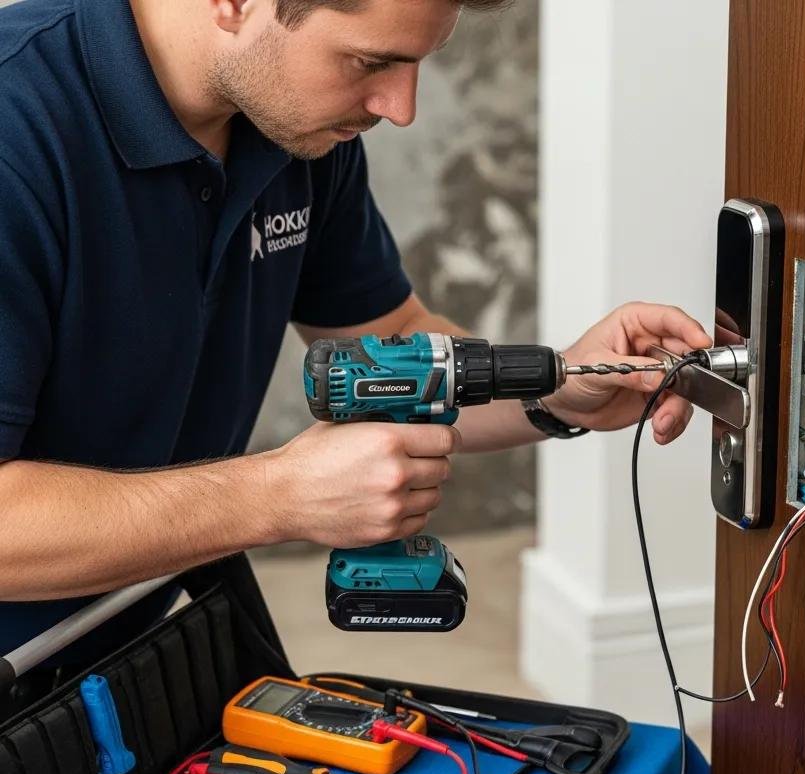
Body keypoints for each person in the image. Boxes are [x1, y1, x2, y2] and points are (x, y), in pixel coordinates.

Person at [0, 0, 710, 698]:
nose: (400, 107)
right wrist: (279, 496)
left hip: (125, 640)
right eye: (371, 62)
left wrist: (558, 391)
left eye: (415, 65)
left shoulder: (292, 130)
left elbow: (393, 351)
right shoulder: (17, 128)